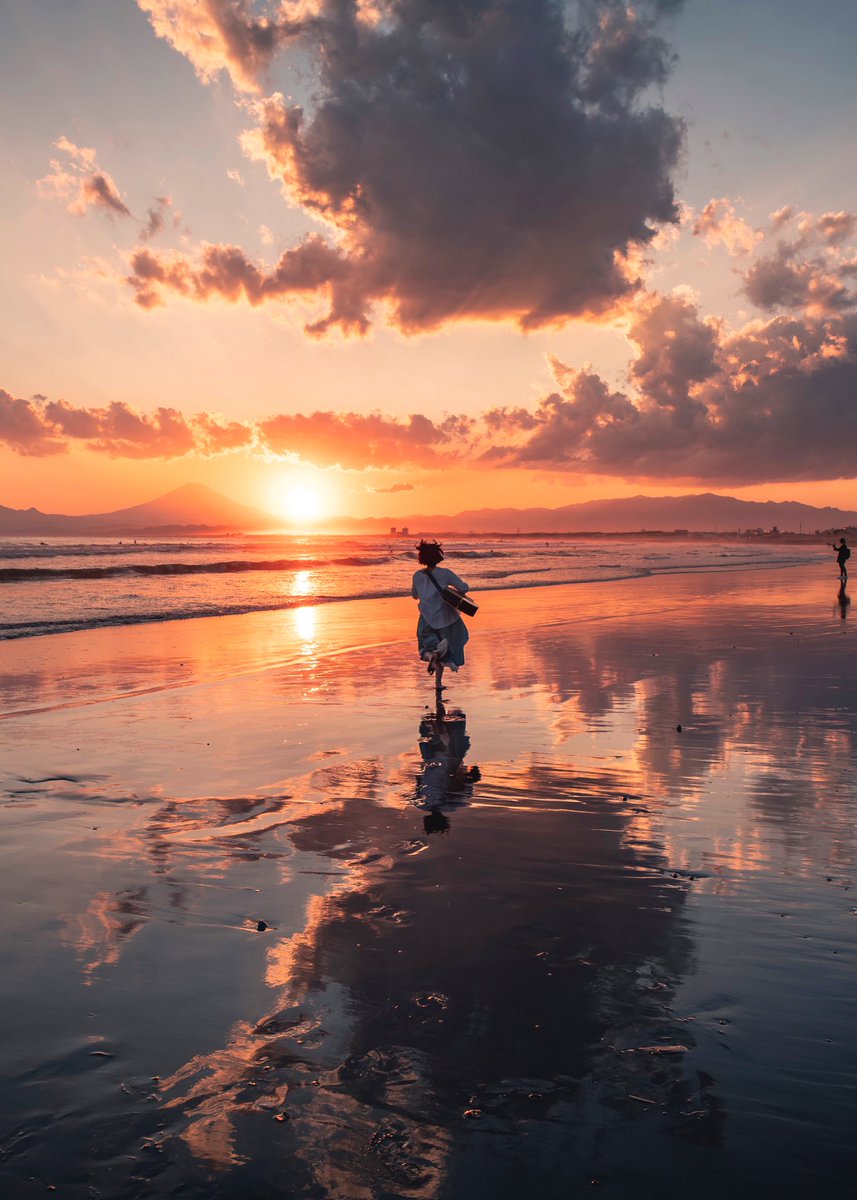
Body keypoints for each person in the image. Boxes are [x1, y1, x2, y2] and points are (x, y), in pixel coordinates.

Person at [411, 540, 470, 690]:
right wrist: (450, 591)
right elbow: (464, 587)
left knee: (427, 648)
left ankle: (432, 659)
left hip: (426, 619)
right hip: (447, 619)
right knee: (448, 647)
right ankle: (438, 682)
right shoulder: (445, 573)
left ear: (421, 557)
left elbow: (414, 595)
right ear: (438, 556)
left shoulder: (417, 575)